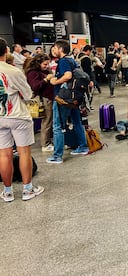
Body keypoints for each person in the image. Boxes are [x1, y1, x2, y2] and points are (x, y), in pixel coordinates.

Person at [0, 37, 44, 202]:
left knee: (4, 154)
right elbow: (27, 94)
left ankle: (8, 192)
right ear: (6, 51)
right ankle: (27, 189)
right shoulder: (13, 71)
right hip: (17, 115)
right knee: (24, 151)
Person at [46, 39, 89, 164]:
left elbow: (68, 76)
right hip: (74, 97)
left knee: (57, 126)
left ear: (60, 49)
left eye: (54, 48)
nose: (53, 51)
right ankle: (82, 146)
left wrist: (55, 81)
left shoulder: (64, 61)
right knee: (77, 122)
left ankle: (57, 155)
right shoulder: (72, 60)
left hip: (63, 97)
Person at [23, 53, 55, 152]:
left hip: (49, 97)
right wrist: (46, 79)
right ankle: (45, 144)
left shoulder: (43, 71)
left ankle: (48, 141)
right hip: (44, 99)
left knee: (49, 121)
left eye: (47, 64)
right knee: (47, 121)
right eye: (45, 64)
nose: (47, 66)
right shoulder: (32, 73)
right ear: (38, 63)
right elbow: (35, 86)